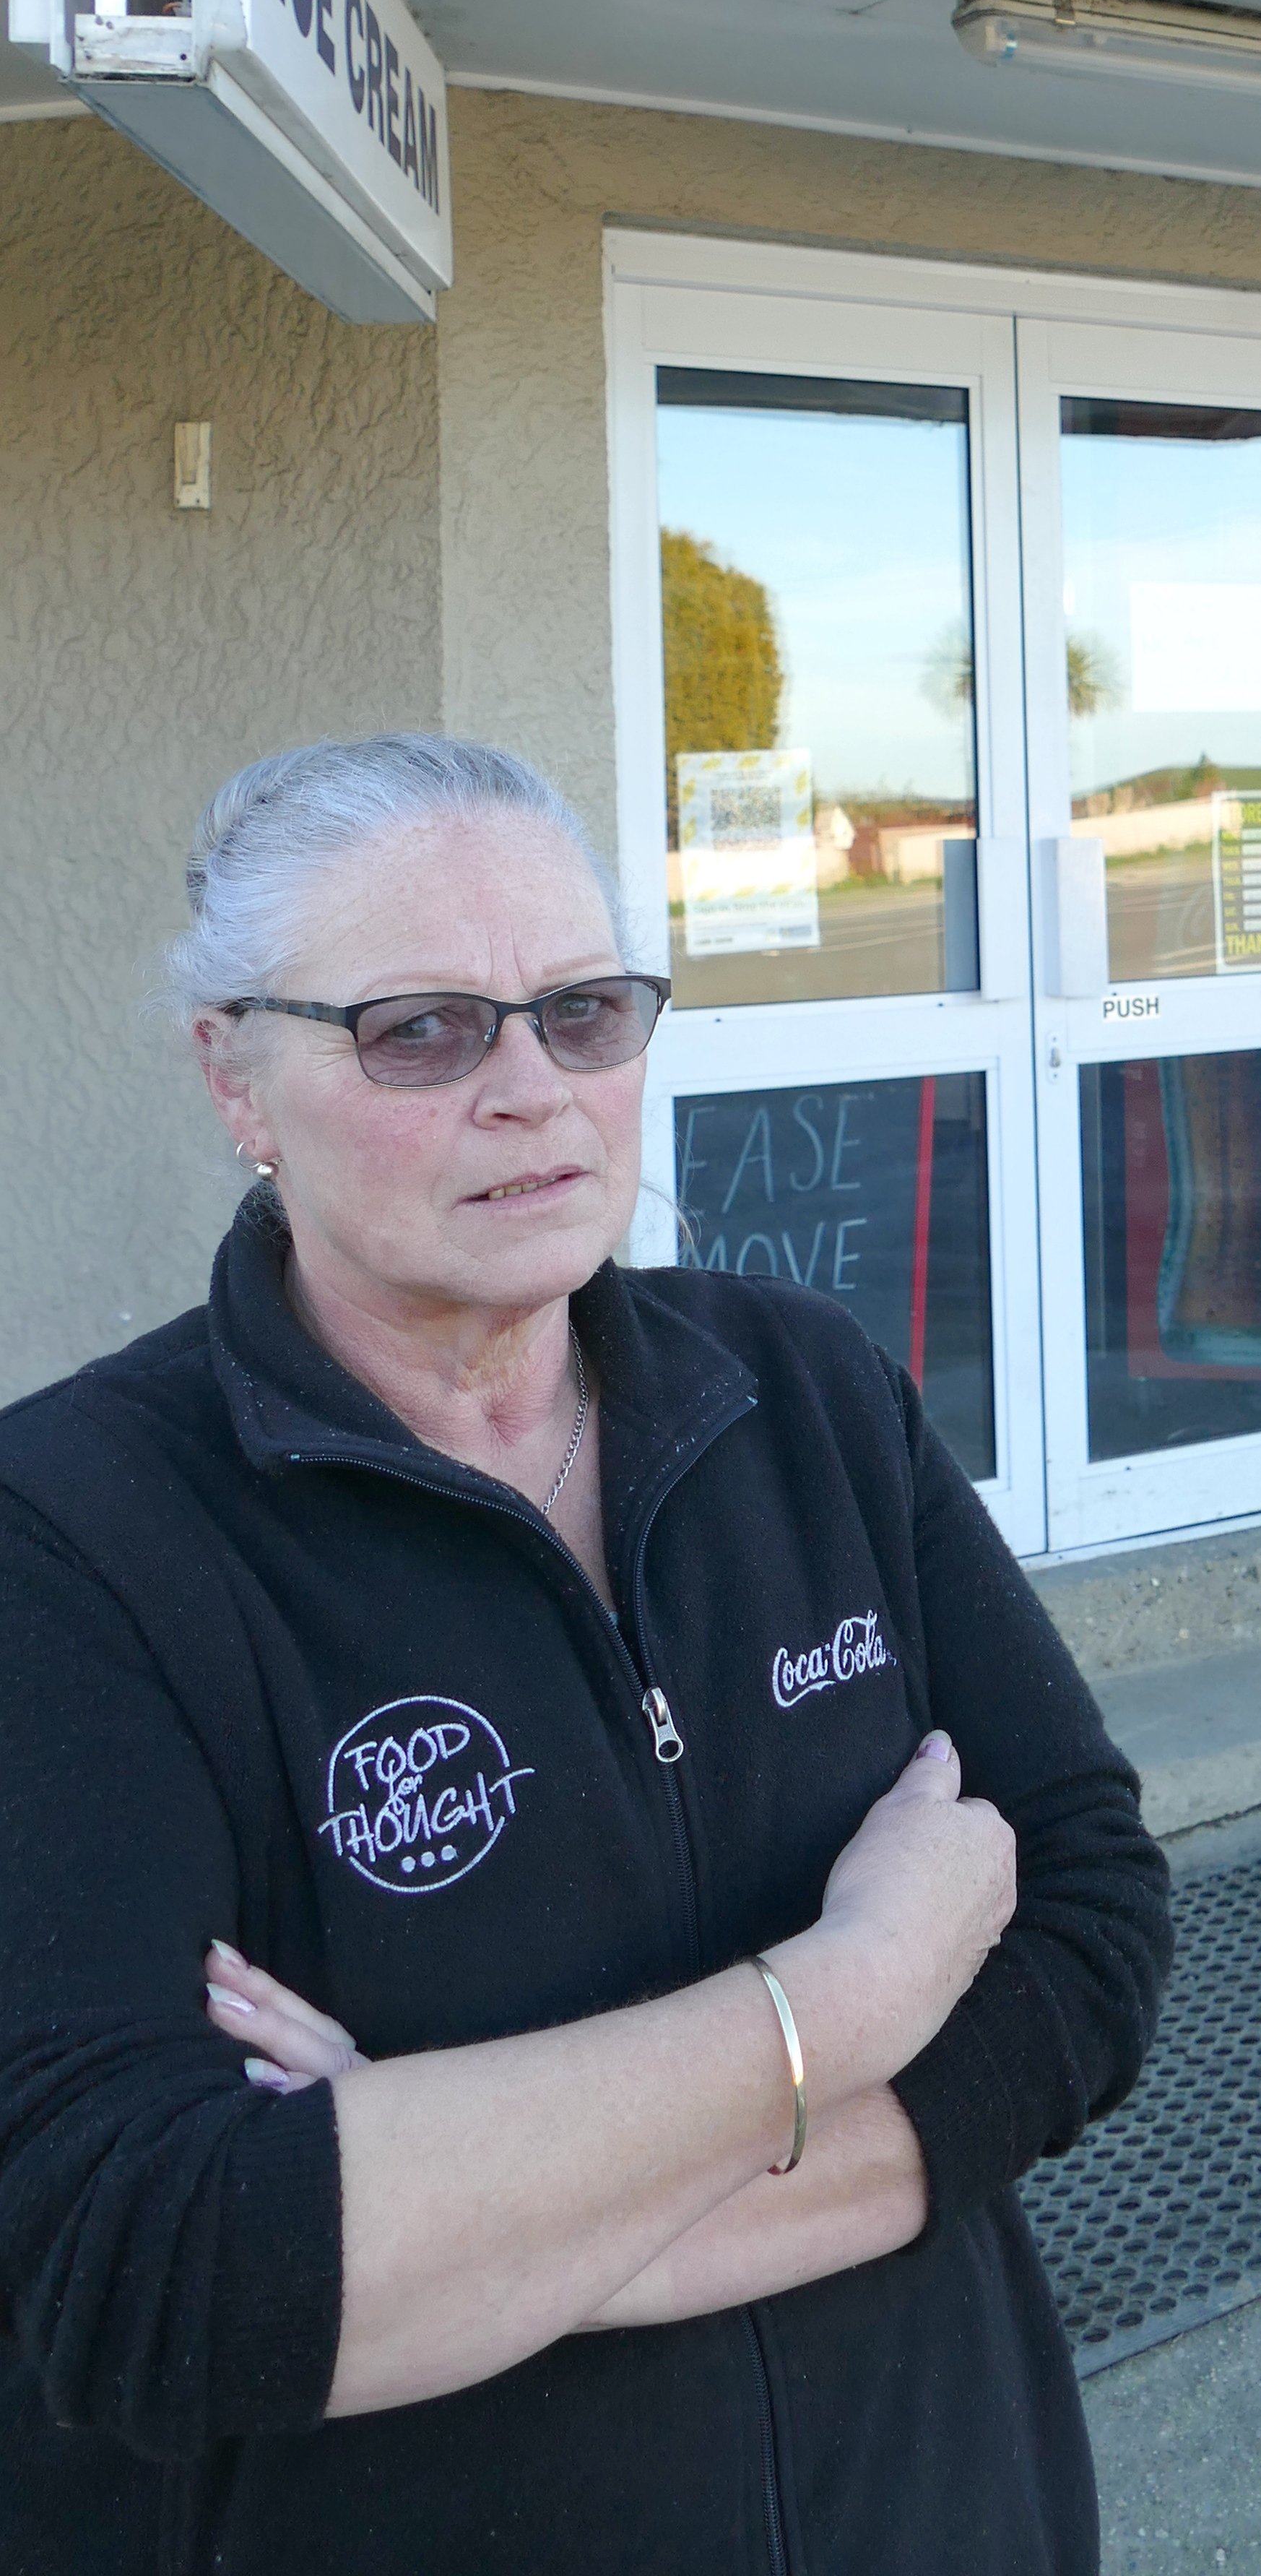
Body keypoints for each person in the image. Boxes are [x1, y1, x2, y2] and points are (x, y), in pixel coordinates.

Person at [0, 735, 1171, 2574]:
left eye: (587, 1011)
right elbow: (149, 2267)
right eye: (422, 1030)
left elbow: (1091, 1937)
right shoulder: (73, 1534)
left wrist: (469, 2228)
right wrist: (844, 2002)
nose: (534, 1091)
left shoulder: (803, 1393)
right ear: (236, 1072)